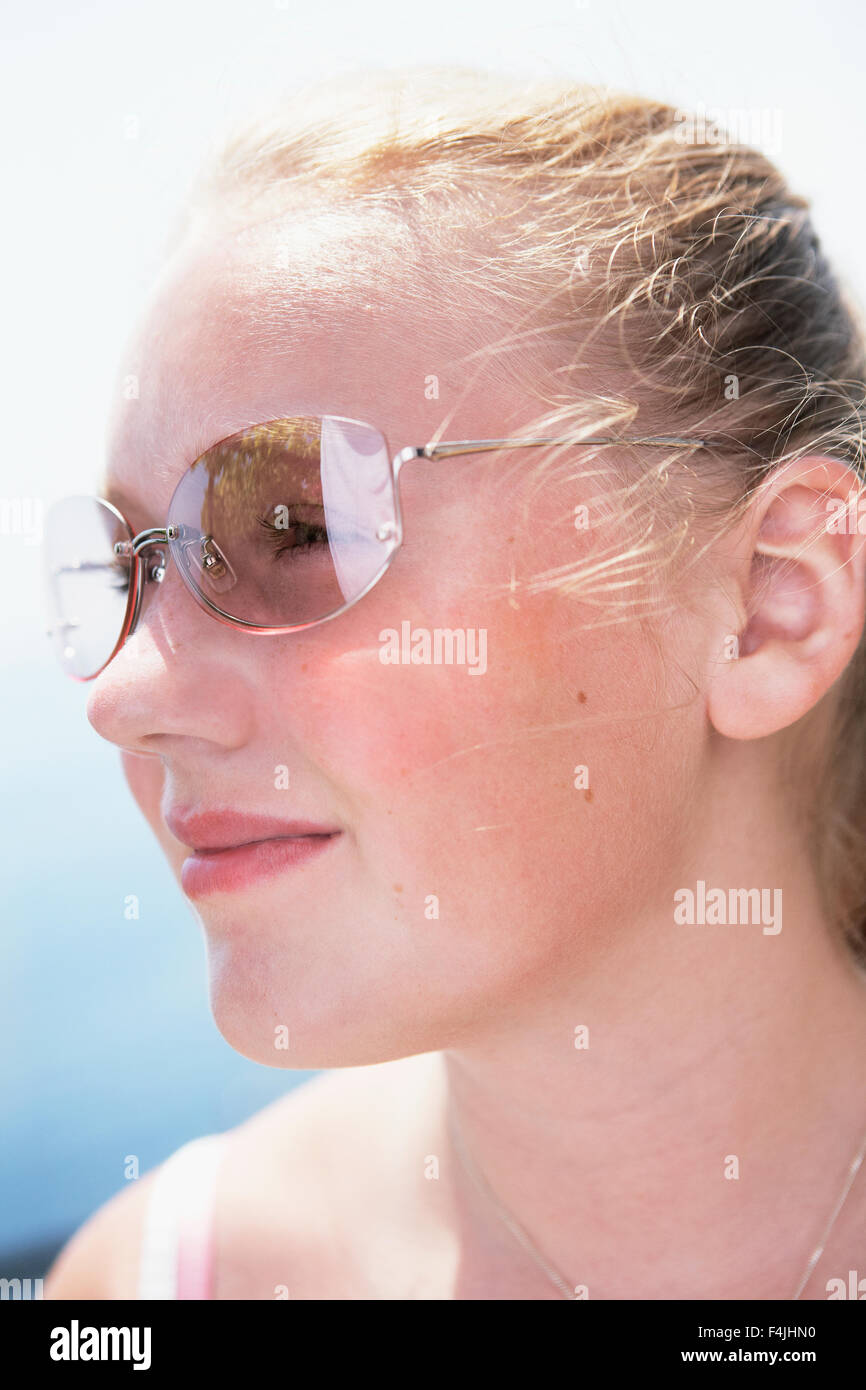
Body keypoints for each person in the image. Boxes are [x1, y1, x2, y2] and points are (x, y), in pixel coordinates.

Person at [43, 66, 866, 1300]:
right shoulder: (152, 1288)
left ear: (766, 601)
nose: (125, 694)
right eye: (124, 569)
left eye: (295, 523)